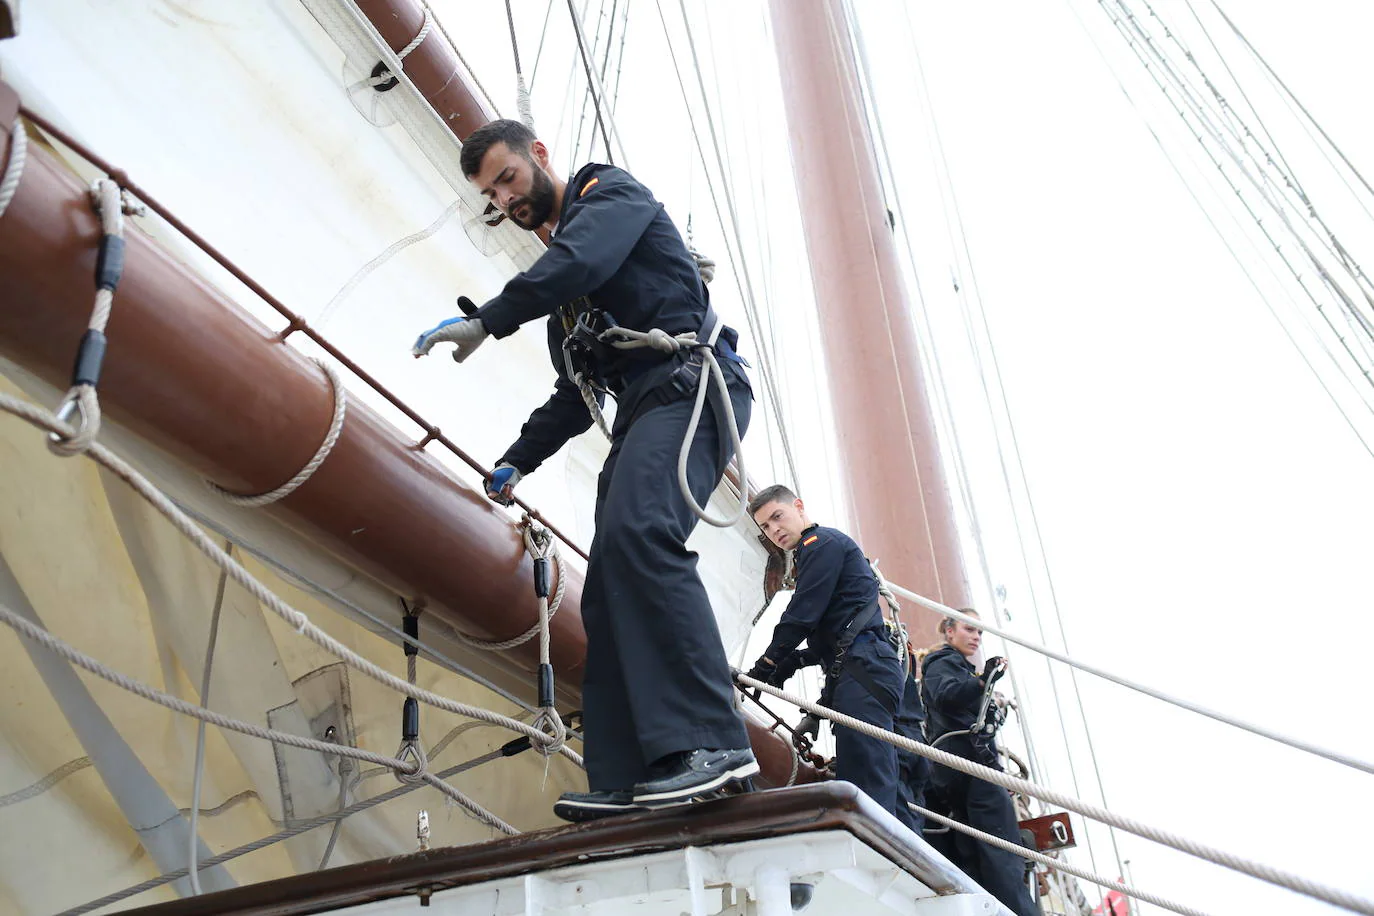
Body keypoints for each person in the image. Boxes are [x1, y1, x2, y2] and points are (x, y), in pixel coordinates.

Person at [412, 120, 757, 819]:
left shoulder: (610, 195)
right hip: (642, 410)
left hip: (695, 385)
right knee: (604, 587)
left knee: (640, 535)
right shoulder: (565, 309)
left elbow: (580, 259)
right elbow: (575, 396)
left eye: (508, 178)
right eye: (492, 195)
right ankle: (634, 771)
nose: (506, 199)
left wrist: (488, 319)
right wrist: (516, 460)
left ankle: (714, 746)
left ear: (540, 157)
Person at [745, 485, 905, 818]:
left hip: (863, 668)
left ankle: (874, 852)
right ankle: (897, 850)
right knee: (876, 767)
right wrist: (794, 662)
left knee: (866, 768)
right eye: (765, 526)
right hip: (860, 666)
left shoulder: (820, 545)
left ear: (799, 507)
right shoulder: (815, 552)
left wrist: (766, 666)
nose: (774, 530)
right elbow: (835, 629)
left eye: (778, 517)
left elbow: (802, 615)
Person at [922, 612, 1039, 916]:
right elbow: (947, 695)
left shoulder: (952, 665)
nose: (976, 637)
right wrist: (982, 682)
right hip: (971, 768)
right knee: (1001, 853)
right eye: (969, 629)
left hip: (957, 769)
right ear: (949, 631)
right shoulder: (942, 662)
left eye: (980, 633)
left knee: (973, 853)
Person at [893, 639, 932, 835]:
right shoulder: (900, 658)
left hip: (897, 739)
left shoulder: (877, 654)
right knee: (914, 813)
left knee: (903, 814)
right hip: (916, 739)